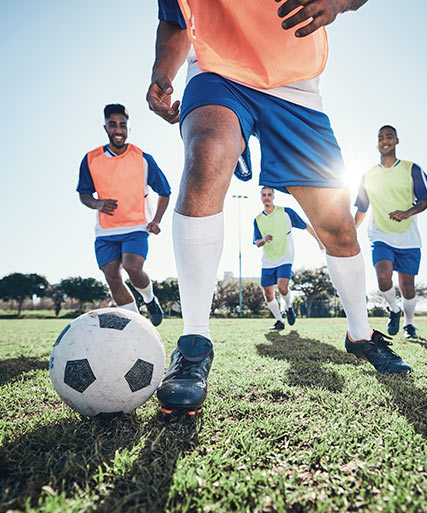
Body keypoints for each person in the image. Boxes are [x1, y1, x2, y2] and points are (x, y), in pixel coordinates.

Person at [148, 0, 412, 416]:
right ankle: (194, 343)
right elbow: (176, 18)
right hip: (218, 70)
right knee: (207, 155)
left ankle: (360, 335)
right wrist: (162, 72)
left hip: (295, 84)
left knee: (338, 227)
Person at [76, 104, 171, 325]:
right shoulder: (91, 159)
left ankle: (149, 298)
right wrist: (97, 203)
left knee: (132, 267)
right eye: (113, 125)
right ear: (105, 127)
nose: (118, 130)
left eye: (122, 125)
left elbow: (165, 191)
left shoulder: (143, 158)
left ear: (128, 128)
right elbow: (84, 193)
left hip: (136, 226)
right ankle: (137, 326)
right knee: (112, 277)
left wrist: (156, 220)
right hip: (106, 231)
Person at [354, 125, 427, 339]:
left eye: (389, 136)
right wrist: (350, 232)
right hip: (380, 235)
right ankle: (393, 309)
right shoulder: (368, 175)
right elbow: (362, 208)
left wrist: (408, 212)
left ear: (397, 141)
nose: (385, 140)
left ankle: (409, 324)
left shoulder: (412, 169)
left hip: (408, 238)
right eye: (381, 137)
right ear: (377, 143)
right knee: (383, 277)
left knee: (407, 287)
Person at [253, 186, 324, 330]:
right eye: (264, 195)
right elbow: (257, 242)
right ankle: (279, 321)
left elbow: (307, 226)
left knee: (282, 287)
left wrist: (319, 241)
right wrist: (264, 239)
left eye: (269, 194)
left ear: (273, 196)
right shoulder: (258, 219)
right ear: (261, 198)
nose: (266, 197)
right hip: (268, 260)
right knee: (268, 293)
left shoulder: (286, 212)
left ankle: (289, 307)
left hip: (285, 256)